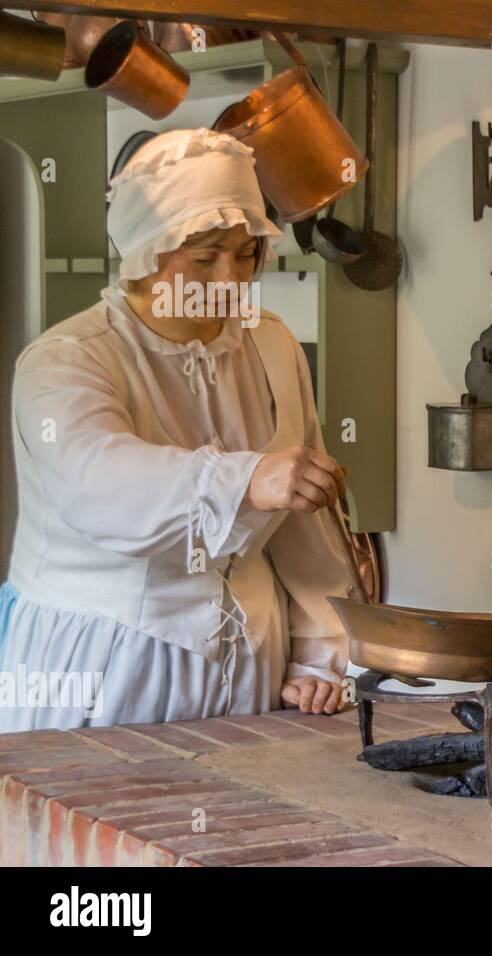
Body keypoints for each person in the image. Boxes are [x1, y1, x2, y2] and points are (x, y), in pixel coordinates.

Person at [0, 128, 355, 731]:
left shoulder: (270, 345)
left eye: (247, 254)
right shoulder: (66, 360)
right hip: (103, 671)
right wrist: (247, 479)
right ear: (144, 250)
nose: (230, 280)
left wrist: (322, 658)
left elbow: (304, 525)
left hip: (252, 675)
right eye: (204, 256)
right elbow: (97, 482)